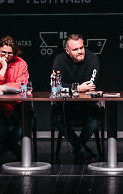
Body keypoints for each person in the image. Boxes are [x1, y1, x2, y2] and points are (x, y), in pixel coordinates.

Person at [51, 34, 101, 164]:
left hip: (87, 105)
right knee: (57, 118)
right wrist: (77, 87)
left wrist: (70, 88)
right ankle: (81, 149)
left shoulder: (92, 58)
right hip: (65, 105)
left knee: (94, 120)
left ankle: (78, 149)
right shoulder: (60, 60)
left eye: (81, 47)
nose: (80, 51)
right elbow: (55, 85)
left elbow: (89, 86)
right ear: (67, 51)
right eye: (75, 49)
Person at [0, 36, 29, 161]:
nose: (6, 56)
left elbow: (21, 85)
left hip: (16, 104)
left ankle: (2, 148)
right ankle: (15, 149)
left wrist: (1, 87)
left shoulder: (21, 63)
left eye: (10, 53)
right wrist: (3, 67)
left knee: (28, 123)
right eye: (3, 52)